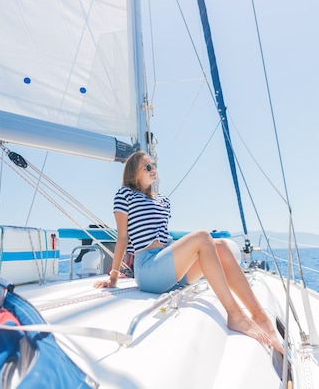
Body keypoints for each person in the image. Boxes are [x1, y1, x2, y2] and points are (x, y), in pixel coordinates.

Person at [94, 150, 283, 352]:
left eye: (154, 165)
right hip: (149, 268)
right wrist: (113, 276)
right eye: (147, 167)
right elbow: (123, 236)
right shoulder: (124, 195)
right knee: (202, 236)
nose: (153, 169)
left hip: (170, 270)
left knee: (221, 246)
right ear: (133, 173)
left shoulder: (163, 200)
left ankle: (258, 315)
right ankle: (235, 315)